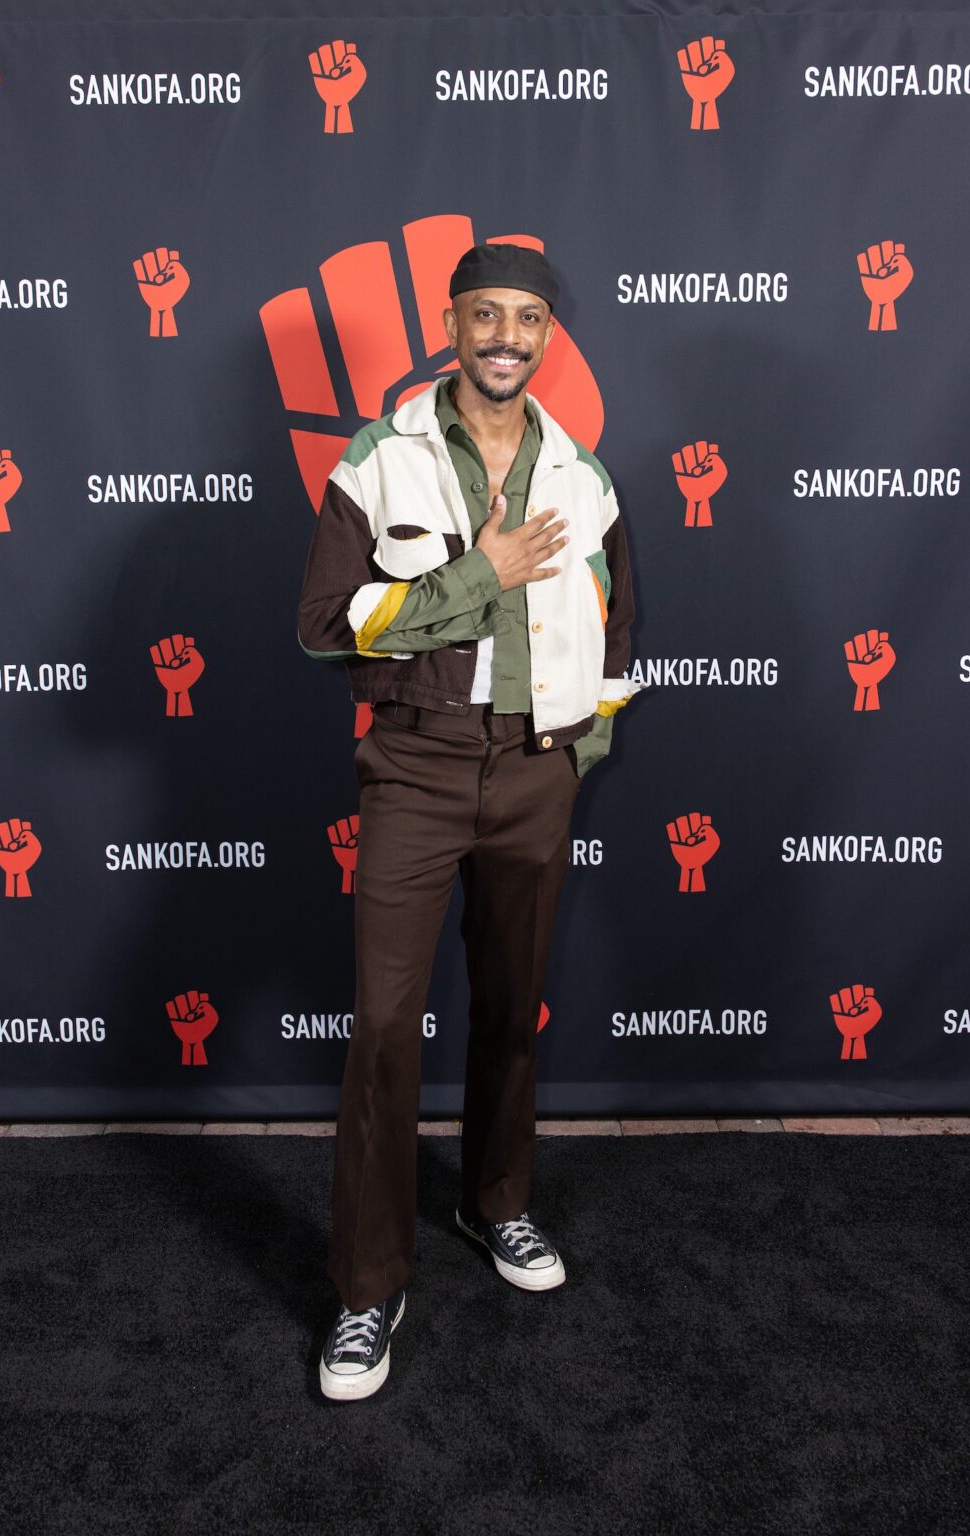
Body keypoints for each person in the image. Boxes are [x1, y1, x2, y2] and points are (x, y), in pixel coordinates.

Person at [298, 243, 640, 1400]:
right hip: (416, 768)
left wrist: (576, 752)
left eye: (528, 318)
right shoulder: (380, 457)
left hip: (536, 775)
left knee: (509, 1010)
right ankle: (364, 1291)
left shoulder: (582, 474)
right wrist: (478, 575)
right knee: (386, 1031)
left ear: (548, 336)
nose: (506, 335)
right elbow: (324, 625)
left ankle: (497, 1206)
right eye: (485, 313)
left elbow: (615, 631)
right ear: (449, 323)